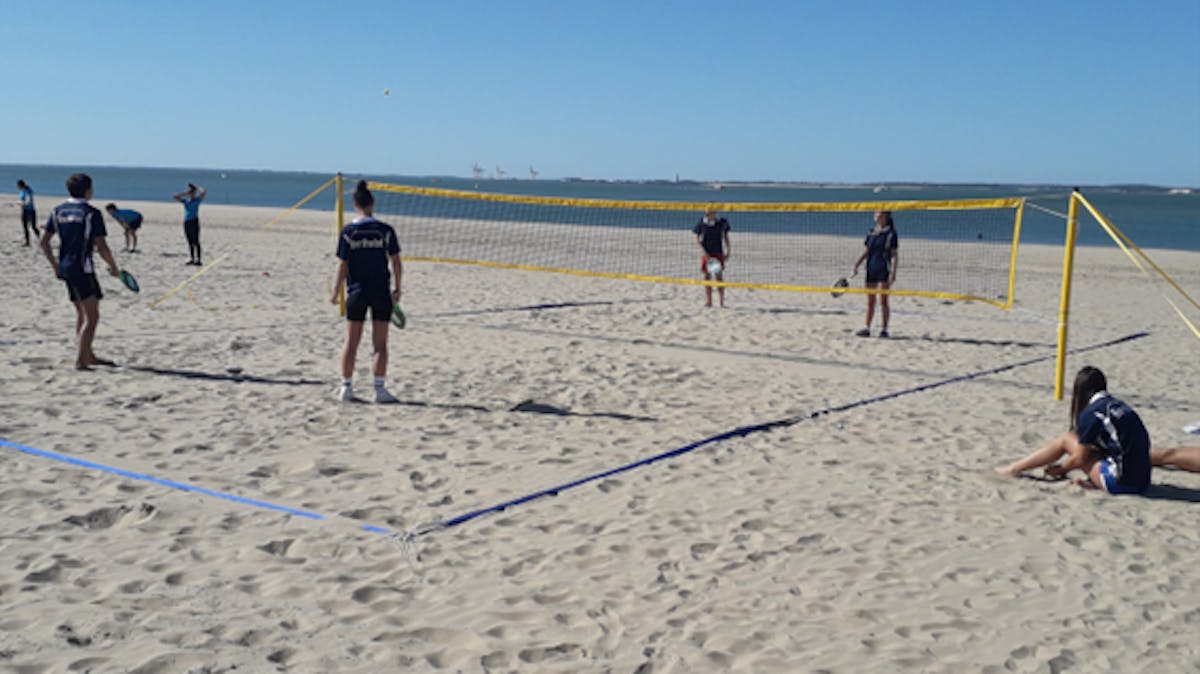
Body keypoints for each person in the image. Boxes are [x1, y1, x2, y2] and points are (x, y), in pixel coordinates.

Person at [995, 366, 1152, 494]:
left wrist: (1060, 469)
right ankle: (1097, 479)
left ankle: (1014, 468)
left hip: (1121, 482)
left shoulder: (1093, 413)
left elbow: (1079, 459)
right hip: (1143, 481)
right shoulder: (1118, 406)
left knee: (1066, 439)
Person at [329, 180, 403, 404]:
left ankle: (346, 387)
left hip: (357, 291)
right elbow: (396, 262)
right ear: (372, 203)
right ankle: (379, 390)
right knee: (380, 344)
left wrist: (336, 291)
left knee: (351, 342)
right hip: (380, 290)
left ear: (355, 204)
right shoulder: (384, 230)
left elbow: (343, 265)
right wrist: (398, 288)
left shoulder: (349, 231)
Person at [38, 173, 121, 370]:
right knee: (92, 317)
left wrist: (55, 265)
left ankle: (87, 354)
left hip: (66, 268)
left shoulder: (58, 211)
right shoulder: (91, 213)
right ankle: (81, 360)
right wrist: (114, 267)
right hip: (83, 269)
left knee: (82, 314)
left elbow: (44, 242)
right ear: (88, 189)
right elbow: (101, 246)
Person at [851, 211, 899, 338]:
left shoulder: (891, 234)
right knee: (870, 301)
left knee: (884, 301)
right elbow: (866, 251)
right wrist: (857, 264)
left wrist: (893, 273)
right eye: (875, 213)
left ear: (885, 216)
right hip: (871, 269)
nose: (876, 215)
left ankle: (884, 329)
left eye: (879, 213)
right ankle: (867, 327)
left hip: (884, 269)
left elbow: (894, 255)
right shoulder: (871, 232)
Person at [692, 207, 731, 307]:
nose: (708, 214)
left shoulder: (722, 222)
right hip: (707, 254)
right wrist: (704, 252)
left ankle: (721, 302)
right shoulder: (702, 223)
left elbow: (726, 237)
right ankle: (709, 301)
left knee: (718, 277)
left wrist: (728, 251)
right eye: (707, 212)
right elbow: (697, 239)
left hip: (718, 253)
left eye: (711, 212)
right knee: (707, 277)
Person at [172, 182, 206, 265]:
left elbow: (204, 192)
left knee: (196, 241)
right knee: (190, 241)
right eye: (190, 194)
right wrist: (186, 192)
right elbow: (175, 196)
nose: (191, 195)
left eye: (192, 193)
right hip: (187, 222)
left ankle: (198, 259)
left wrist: (196, 189)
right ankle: (192, 258)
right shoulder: (186, 201)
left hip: (194, 221)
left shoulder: (197, 200)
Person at [17, 179, 38, 246]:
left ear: (20, 185)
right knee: (25, 227)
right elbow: (22, 201)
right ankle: (27, 242)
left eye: (17, 186)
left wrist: (23, 203)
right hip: (24, 210)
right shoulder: (21, 192)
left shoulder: (28, 191)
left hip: (30, 211)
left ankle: (40, 239)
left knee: (33, 227)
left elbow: (28, 200)